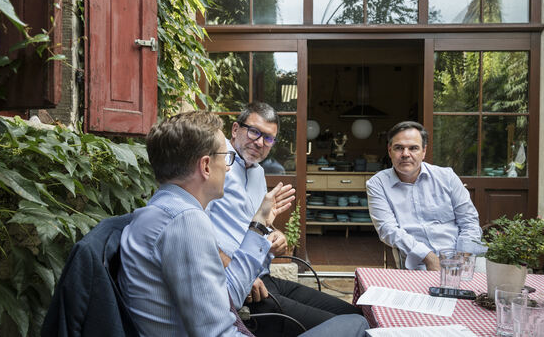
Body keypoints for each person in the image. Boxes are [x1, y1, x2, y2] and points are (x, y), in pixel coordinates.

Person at [118, 110, 368, 337]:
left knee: (353, 320)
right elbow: (217, 332)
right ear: (206, 165)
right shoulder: (185, 221)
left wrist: (260, 224)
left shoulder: (165, 209)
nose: (228, 168)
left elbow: (228, 296)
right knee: (359, 326)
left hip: (253, 285)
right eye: (225, 157)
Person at [208, 103, 365, 336]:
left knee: (355, 314)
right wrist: (234, 272)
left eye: (268, 138)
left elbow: (255, 222)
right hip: (245, 289)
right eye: (254, 132)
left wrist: (275, 235)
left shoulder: (258, 172)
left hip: (264, 277)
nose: (260, 142)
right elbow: (198, 233)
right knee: (352, 328)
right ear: (234, 129)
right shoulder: (218, 166)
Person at [366, 121, 485, 271]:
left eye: (413, 148)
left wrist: (461, 258)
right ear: (389, 151)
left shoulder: (447, 176)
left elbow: (469, 220)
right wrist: (428, 257)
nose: (405, 154)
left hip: (462, 259)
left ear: (424, 151)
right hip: (418, 263)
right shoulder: (378, 184)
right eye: (399, 148)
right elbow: (387, 229)